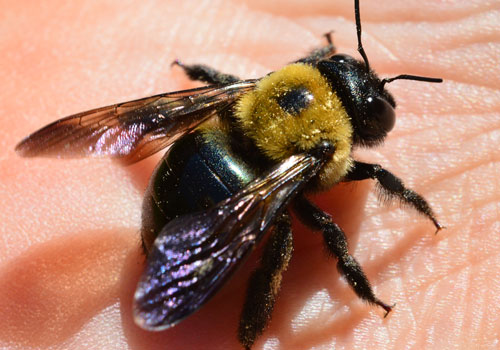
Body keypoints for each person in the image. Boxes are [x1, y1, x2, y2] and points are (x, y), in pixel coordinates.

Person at [1, 0, 498, 349]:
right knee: (289, 236)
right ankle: (247, 336)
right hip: (213, 198)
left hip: (196, 158)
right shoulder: (318, 151)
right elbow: (337, 225)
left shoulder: (255, 88)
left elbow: (210, 86)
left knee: (229, 126)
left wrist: (201, 71)